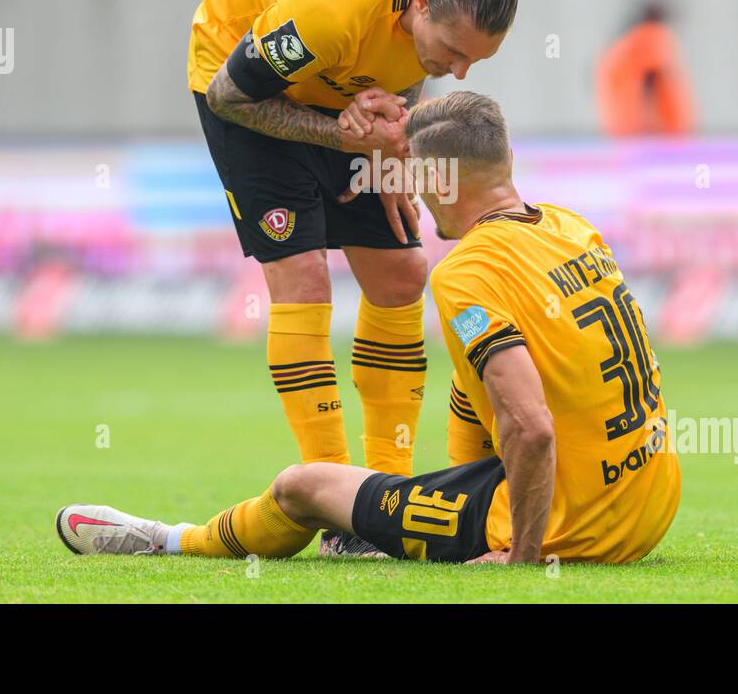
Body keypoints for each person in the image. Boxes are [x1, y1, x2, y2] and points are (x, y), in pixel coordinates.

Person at [57, 92, 680, 565]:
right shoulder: (570, 226)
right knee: (477, 378)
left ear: (437, 181)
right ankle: (427, 512)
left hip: (578, 526)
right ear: (507, 158)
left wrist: (518, 555)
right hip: (649, 501)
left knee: (301, 487)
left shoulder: (467, 271)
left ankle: (165, 541)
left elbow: (532, 426)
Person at [187, 0, 518, 496]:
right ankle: (335, 496)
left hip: (348, 84)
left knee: (402, 275)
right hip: (242, 82)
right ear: (421, 1)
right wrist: (344, 137)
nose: (460, 73)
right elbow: (228, 97)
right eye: (453, 51)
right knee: (305, 278)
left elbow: (413, 59)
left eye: (475, 59)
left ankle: (386, 490)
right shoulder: (327, 9)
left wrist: (391, 144)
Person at [594, 0, 695, 138]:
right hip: (650, 131)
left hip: (620, 124)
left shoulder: (622, 42)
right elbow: (652, 79)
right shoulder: (652, 35)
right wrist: (651, 121)